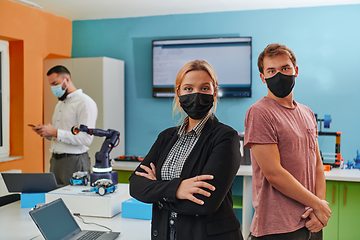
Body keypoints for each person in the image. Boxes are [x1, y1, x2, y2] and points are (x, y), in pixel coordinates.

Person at [129, 60, 243, 240]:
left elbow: (204, 202)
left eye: (204, 88)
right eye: (188, 89)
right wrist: (178, 189)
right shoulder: (166, 137)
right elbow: (136, 185)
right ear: (178, 93)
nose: (196, 95)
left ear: (214, 94)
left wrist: (156, 190)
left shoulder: (226, 137)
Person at [244, 43, 331, 240]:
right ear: (262, 77)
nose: (279, 75)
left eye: (285, 68)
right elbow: (274, 174)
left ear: (296, 71)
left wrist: (319, 208)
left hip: (311, 223)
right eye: (271, 71)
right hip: (278, 228)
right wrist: (318, 205)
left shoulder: (307, 113)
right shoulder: (259, 113)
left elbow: (317, 165)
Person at [32, 65, 98, 185]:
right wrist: (46, 132)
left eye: (55, 83)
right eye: (51, 84)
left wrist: (55, 132)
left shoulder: (85, 102)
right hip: (56, 160)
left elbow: (86, 138)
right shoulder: (61, 104)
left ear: (66, 80)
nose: (53, 88)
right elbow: (60, 135)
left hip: (74, 161)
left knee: (75, 200)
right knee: (54, 198)